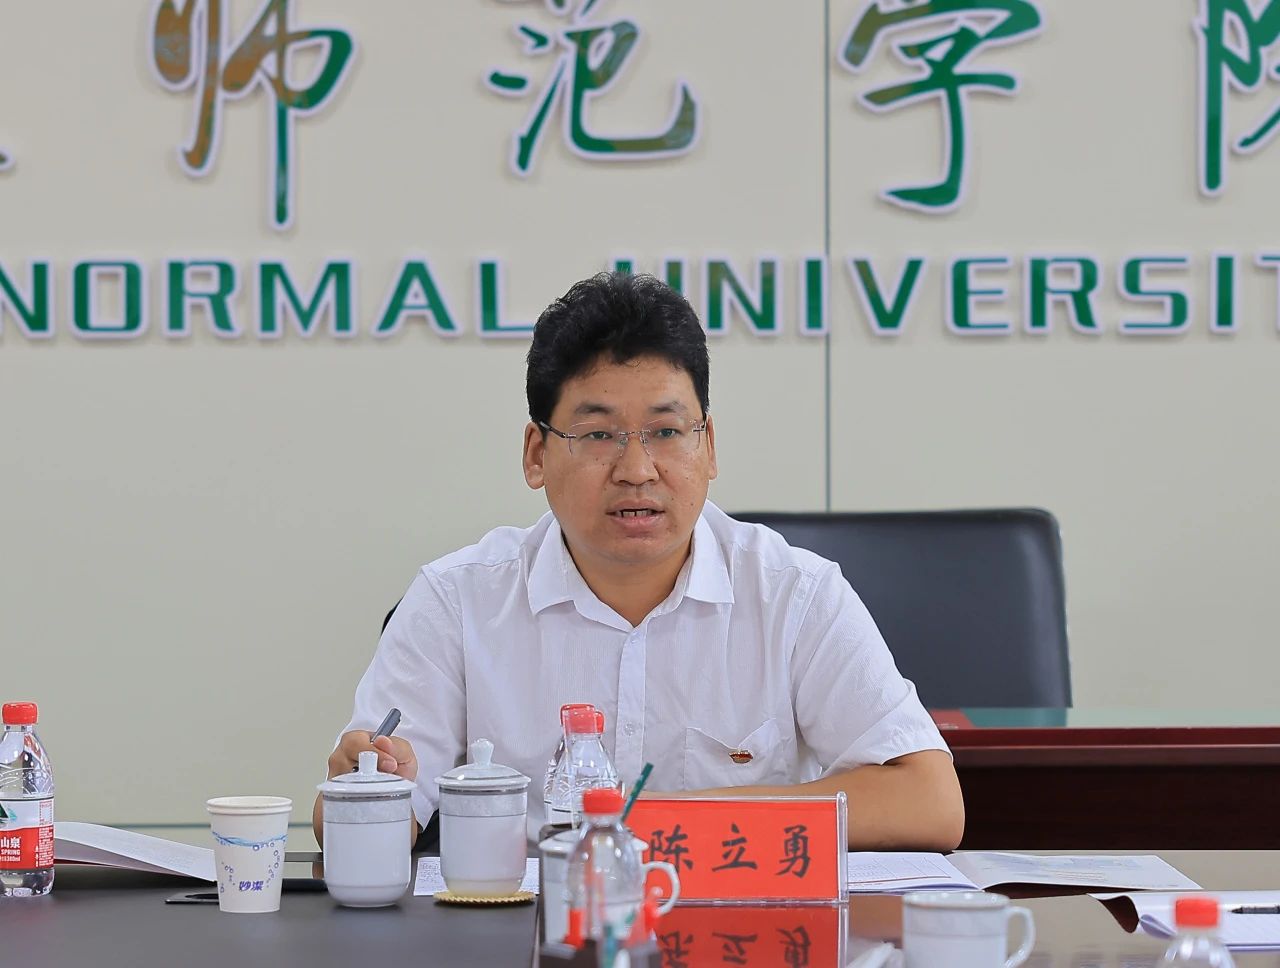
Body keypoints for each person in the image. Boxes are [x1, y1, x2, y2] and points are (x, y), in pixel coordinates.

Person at [314, 272, 964, 850]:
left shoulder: (794, 594)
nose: (637, 469)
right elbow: (359, 820)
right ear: (536, 454)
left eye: (666, 432)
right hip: (529, 928)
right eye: (598, 434)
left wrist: (664, 827)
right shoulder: (457, 602)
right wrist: (362, 790)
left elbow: (928, 800)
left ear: (709, 446)